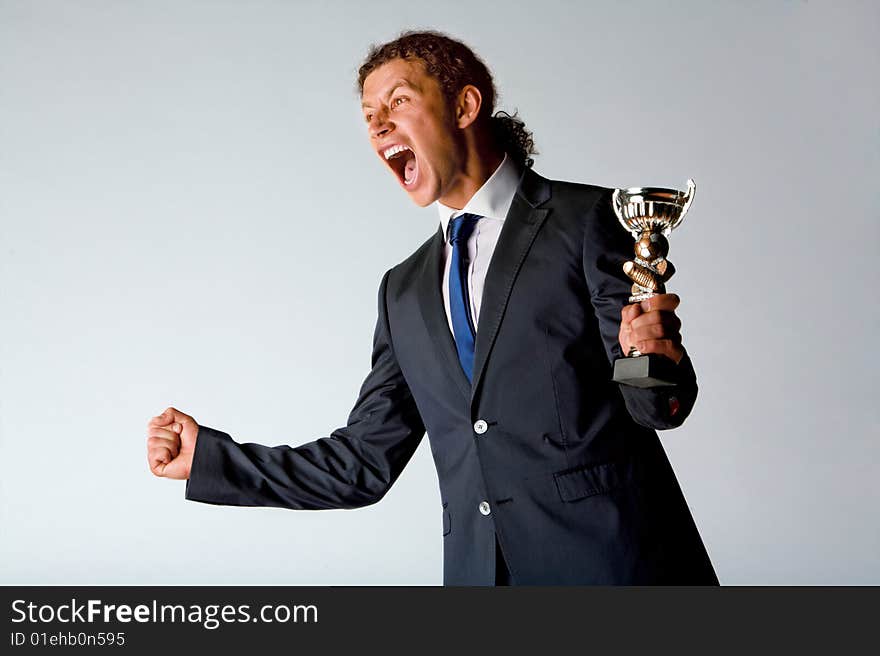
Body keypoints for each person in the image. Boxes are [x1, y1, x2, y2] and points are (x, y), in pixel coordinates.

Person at [146, 30, 718, 586]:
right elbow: (363, 464)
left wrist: (651, 358)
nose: (376, 123)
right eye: (368, 112)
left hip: (615, 569)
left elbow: (659, 409)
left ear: (465, 105)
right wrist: (210, 460)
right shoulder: (403, 291)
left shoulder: (588, 219)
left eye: (397, 100)